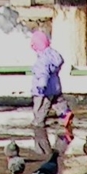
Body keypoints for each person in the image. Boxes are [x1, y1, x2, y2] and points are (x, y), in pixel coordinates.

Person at [29, 28, 71, 156]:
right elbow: (58, 63)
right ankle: (65, 113)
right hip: (55, 86)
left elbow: (43, 74)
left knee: (41, 108)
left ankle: (38, 124)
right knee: (58, 101)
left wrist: (41, 86)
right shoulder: (53, 54)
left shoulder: (42, 59)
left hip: (44, 90)